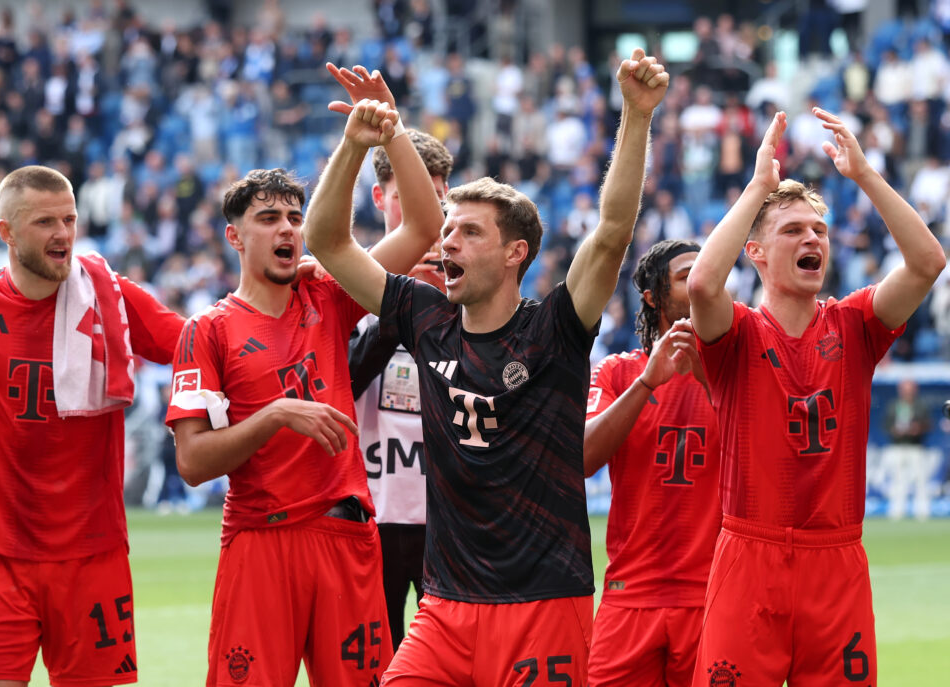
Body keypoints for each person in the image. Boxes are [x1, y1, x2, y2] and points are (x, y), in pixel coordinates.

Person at [304, 48, 668, 687]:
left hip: (542, 603)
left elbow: (611, 231)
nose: (446, 242)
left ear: (514, 253)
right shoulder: (423, 315)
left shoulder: (554, 328)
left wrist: (634, 117)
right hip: (445, 611)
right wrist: (358, 146)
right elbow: (329, 243)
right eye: (448, 229)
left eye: (468, 232)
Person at [164, 99, 444, 685]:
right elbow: (191, 462)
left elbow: (421, 228)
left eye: (294, 216)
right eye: (268, 218)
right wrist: (274, 416)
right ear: (233, 236)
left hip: (346, 535)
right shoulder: (208, 329)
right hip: (261, 538)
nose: (287, 227)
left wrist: (372, 141)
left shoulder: (329, 296)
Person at [687, 107, 946, 686]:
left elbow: (928, 262)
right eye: (793, 230)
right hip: (749, 553)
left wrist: (865, 176)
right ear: (754, 253)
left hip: (837, 558)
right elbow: (703, 283)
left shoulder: (854, 324)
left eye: (819, 231)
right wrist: (757, 187)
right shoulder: (738, 334)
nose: (812, 239)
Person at [0, 165, 184, 686]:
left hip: (93, 552)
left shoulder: (110, 296)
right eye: (45, 222)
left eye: (69, 219)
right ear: (6, 231)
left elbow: (199, 343)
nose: (63, 234)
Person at [584, 238, 721, 687]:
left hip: (713, 597)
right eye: (686, 276)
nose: (703, 282)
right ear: (651, 296)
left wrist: (710, 379)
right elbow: (583, 456)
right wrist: (647, 382)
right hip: (630, 596)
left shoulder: (737, 370)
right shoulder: (617, 372)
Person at [348, 122, 453, 649]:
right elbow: (339, 381)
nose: (424, 210)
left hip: (448, 514)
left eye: (434, 197)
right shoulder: (346, 281)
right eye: (407, 195)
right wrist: (400, 301)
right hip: (373, 511)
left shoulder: (465, 281)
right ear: (379, 197)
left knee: (454, 660)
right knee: (375, 661)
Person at [881, 378, 935, 520]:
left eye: (910, 390)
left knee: (920, 480)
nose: (907, 393)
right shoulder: (894, 405)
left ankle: (922, 512)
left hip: (915, 447)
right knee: (898, 480)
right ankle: (897, 511)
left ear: (914, 391)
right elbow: (886, 425)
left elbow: (928, 424)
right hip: (897, 447)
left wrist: (918, 428)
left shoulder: (920, 405)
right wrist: (895, 430)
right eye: (905, 390)